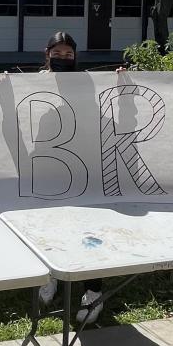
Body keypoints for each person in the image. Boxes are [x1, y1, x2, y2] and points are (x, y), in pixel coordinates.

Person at [27, 32, 104, 324]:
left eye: (68, 54)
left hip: (80, 163)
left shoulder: (85, 81)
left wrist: (122, 78)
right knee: (47, 224)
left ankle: (93, 291)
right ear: (47, 53)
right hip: (45, 163)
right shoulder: (33, 82)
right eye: (57, 53)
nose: (62, 58)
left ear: (75, 56)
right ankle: (51, 275)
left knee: (86, 228)